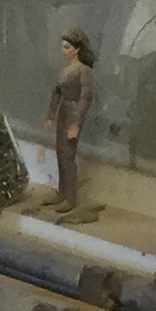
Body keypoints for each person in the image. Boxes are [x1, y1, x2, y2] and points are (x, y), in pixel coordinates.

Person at [48, 29, 98, 221]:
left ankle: (70, 198)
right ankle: (62, 192)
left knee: (68, 154)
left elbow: (86, 98)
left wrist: (76, 122)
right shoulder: (64, 71)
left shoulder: (84, 71)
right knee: (60, 152)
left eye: (67, 47)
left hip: (74, 111)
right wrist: (50, 115)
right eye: (63, 47)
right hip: (63, 111)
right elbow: (56, 93)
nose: (64, 51)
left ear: (76, 49)